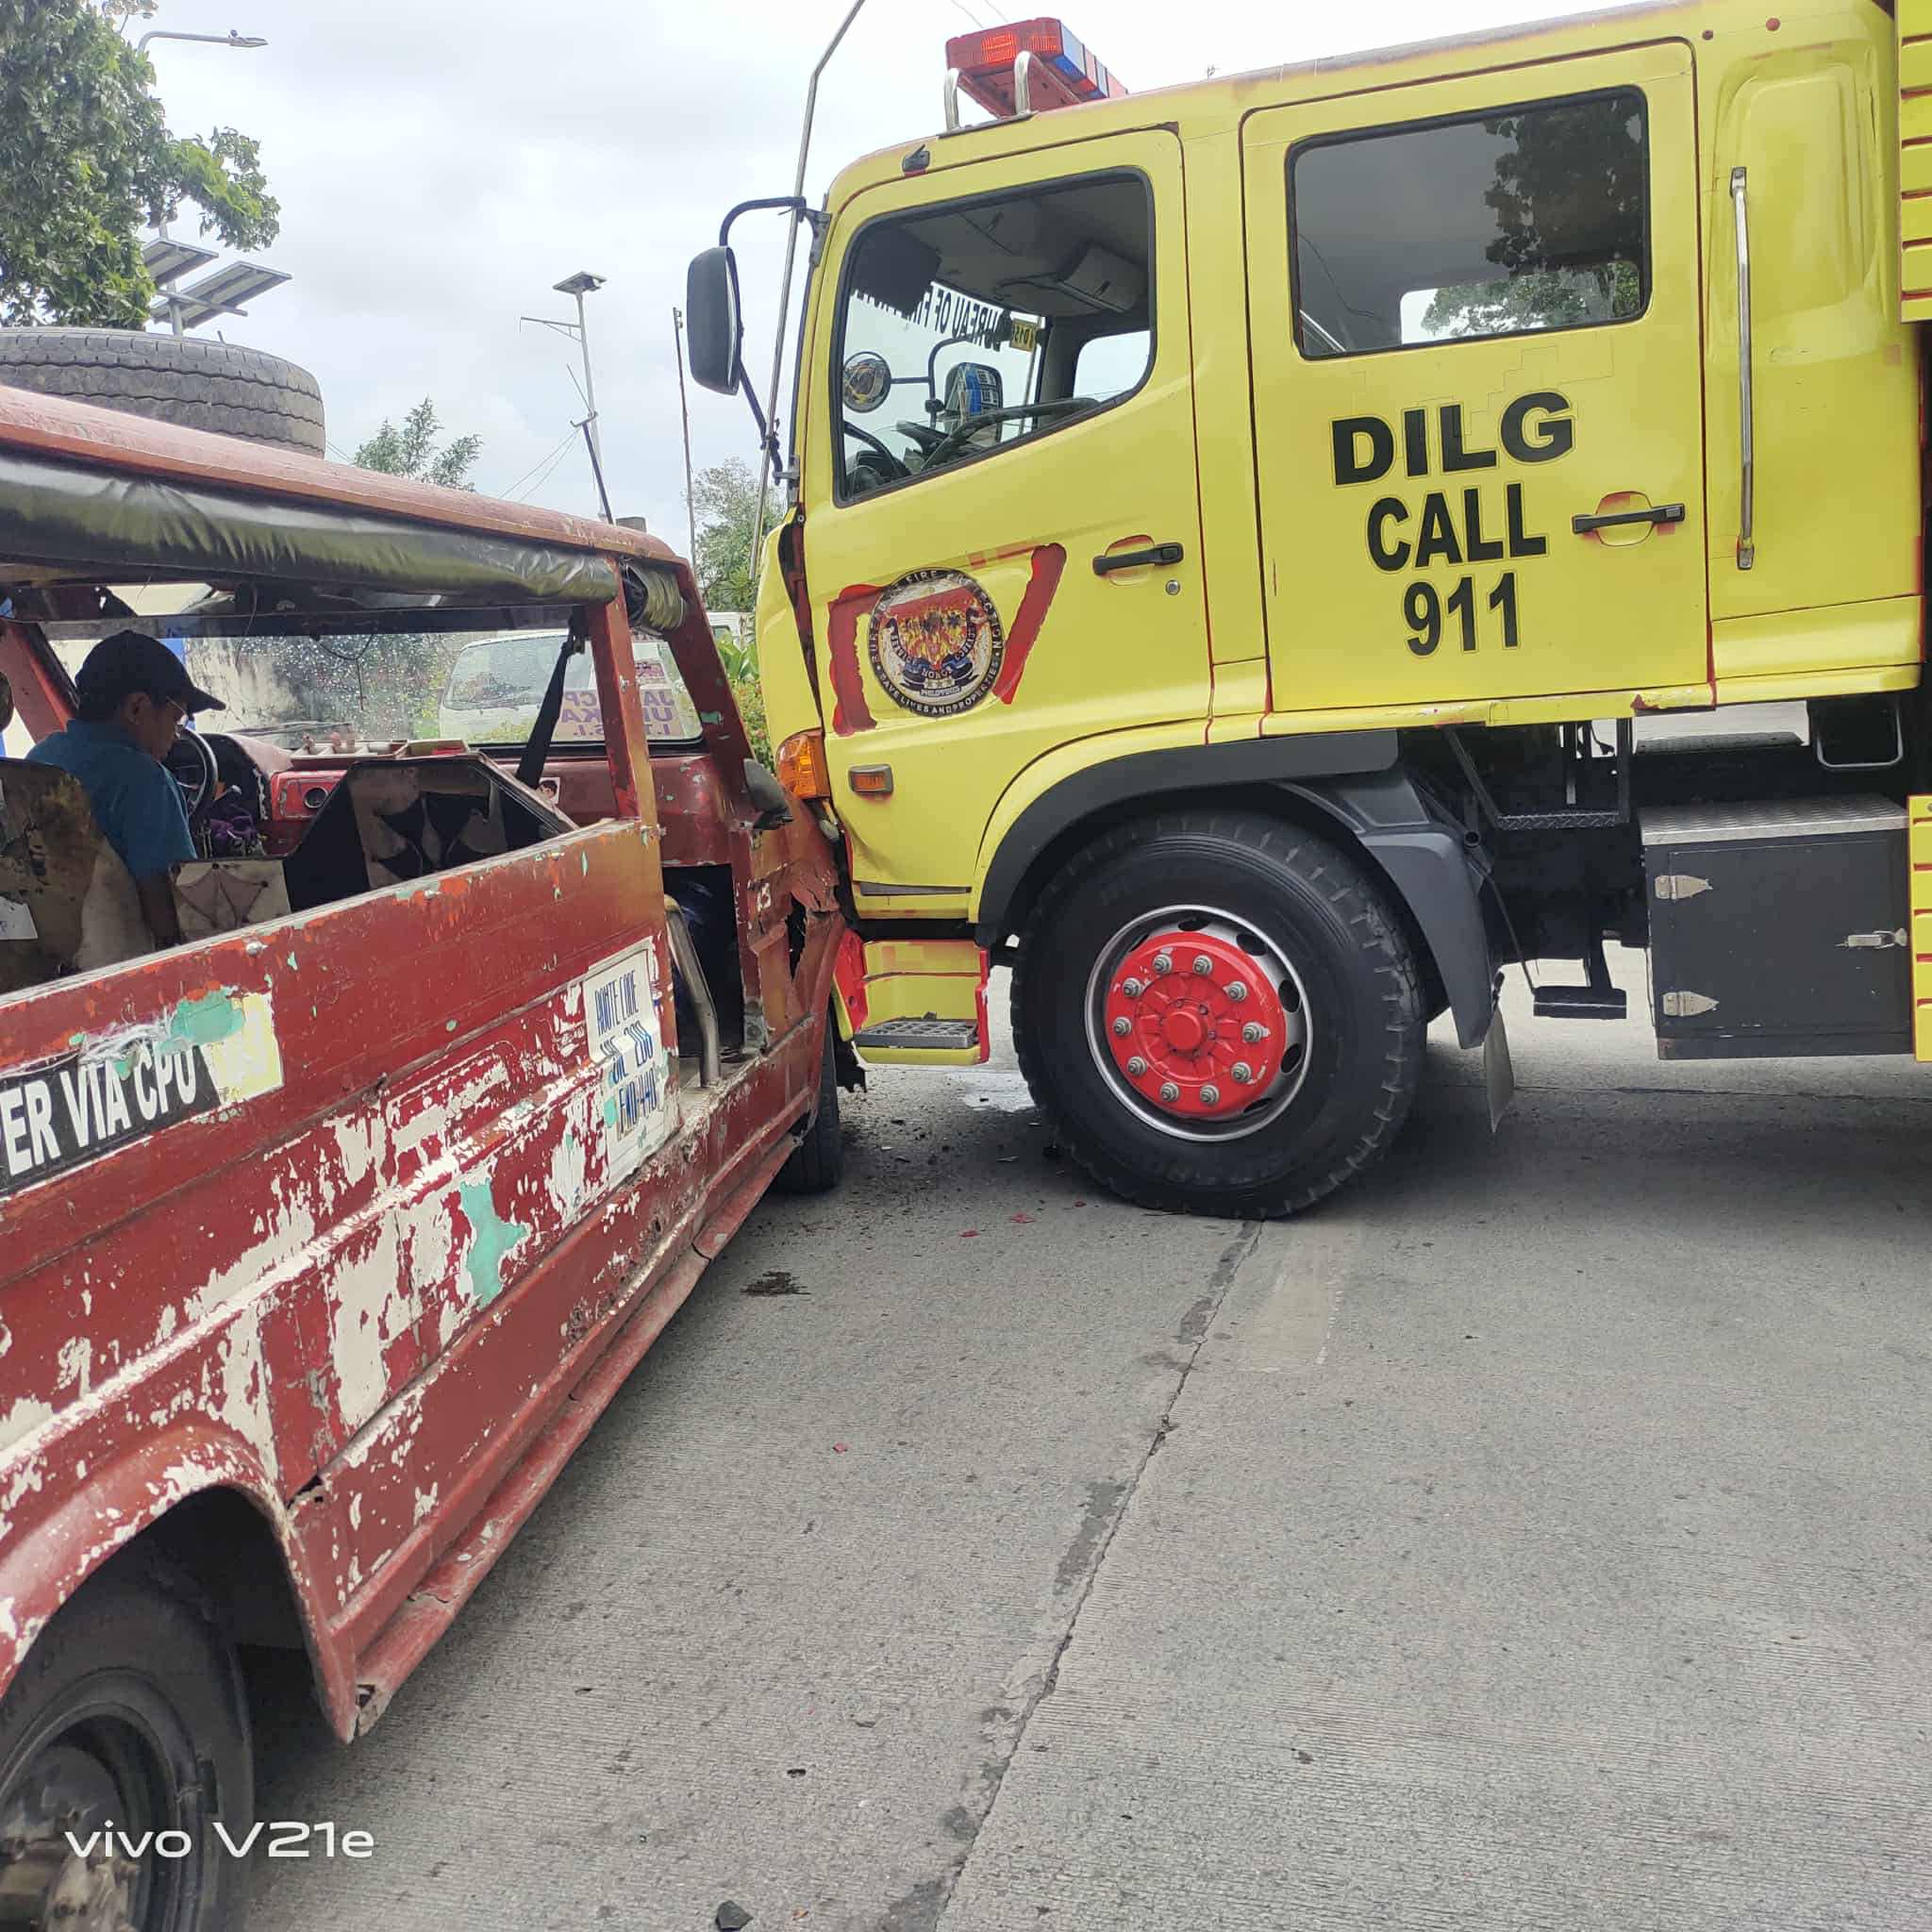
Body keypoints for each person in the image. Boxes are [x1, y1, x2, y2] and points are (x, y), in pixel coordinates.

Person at [26, 630, 224, 947]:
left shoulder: (40, 758)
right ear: (137, 708)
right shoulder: (146, 779)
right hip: (123, 966)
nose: (176, 737)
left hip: (48, 960)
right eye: (176, 719)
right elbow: (173, 916)